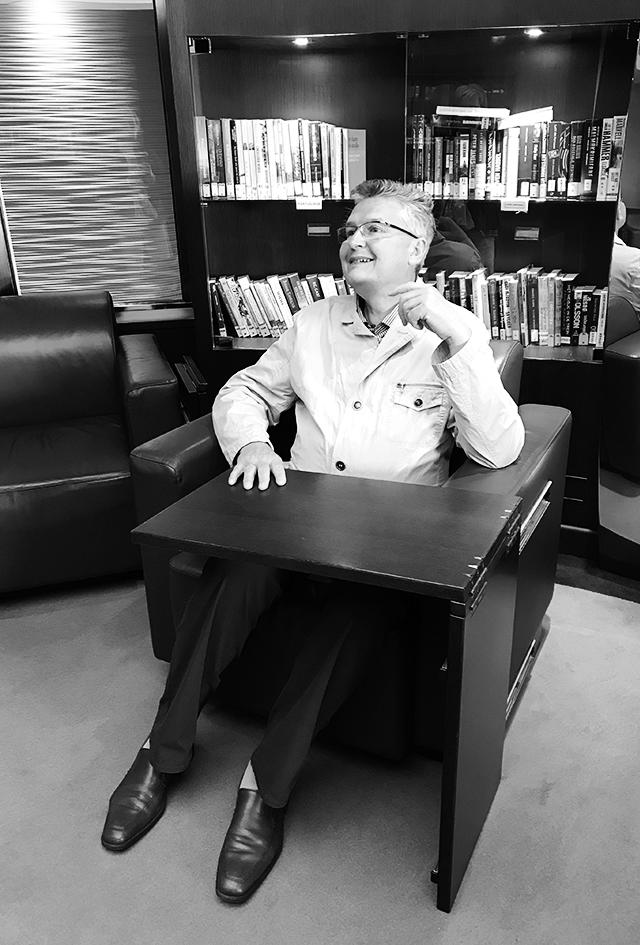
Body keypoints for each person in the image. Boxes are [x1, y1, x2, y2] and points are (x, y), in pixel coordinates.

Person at [101, 179, 524, 904]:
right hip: (295, 526)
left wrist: (456, 340)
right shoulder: (310, 322)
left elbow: (498, 449)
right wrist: (249, 443)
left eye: (376, 229)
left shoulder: (456, 333)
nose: (355, 239)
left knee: (353, 620)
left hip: (387, 548)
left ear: (418, 251)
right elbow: (243, 392)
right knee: (228, 580)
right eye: (350, 229)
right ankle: (160, 750)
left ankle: (264, 787)